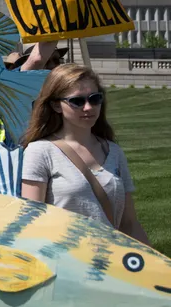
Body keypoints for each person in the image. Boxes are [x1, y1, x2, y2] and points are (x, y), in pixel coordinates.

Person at [20, 65, 149, 242]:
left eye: (95, 99)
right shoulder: (40, 151)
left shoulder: (114, 151)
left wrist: (154, 265)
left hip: (111, 262)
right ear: (56, 105)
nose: (88, 107)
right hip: (66, 262)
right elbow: (32, 221)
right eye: (77, 101)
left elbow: (130, 223)